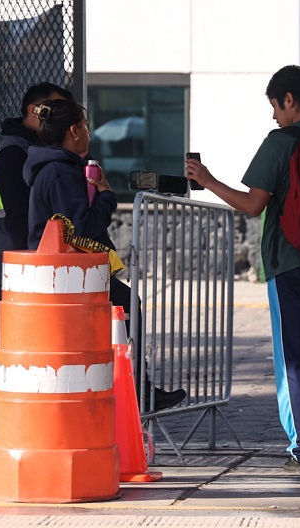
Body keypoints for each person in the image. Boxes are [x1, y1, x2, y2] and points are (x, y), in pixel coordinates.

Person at [186, 65, 300, 474]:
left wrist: (207, 179)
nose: (274, 116)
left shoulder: (280, 142)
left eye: (275, 106)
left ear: (288, 100)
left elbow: (252, 205)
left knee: (297, 360)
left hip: (290, 264)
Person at [23, 99, 186, 411]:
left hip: (70, 274)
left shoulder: (55, 168)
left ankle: (134, 386)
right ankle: (136, 389)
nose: (88, 133)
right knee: (125, 306)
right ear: (73, 130)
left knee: (125, 305)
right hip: (71, 275)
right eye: (85, 127)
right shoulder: (58, 172)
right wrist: (107, 195)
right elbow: (82, 227)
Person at [0, 82, 73, 282]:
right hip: (25, 269)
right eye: (55, 109)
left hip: (43, 265)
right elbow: (21, 219)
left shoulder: (44, 149)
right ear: (33, 111)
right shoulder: (13, 155)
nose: (61, 115)